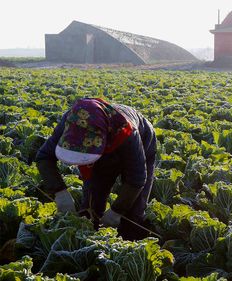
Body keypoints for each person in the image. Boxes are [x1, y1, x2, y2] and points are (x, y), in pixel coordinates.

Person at [35, 98, 157, 241]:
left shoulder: (127, 132)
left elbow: (137, 178)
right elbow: (44, 157)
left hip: (142, 142)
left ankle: (130, 245)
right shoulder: (70, 122)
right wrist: (59, 192)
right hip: (103, 151)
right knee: (90, 209)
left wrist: (117, 210)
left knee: (133, 214)